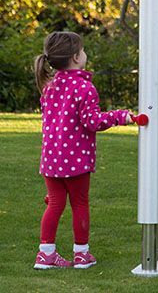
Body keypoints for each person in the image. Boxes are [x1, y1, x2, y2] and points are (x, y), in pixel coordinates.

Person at [33, 31, 133, 270]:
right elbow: (92, 122)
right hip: (76, 161)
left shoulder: (49, 87)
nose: (86, 54)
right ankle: (82, 254)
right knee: (79, 204)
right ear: (76, 57)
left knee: (55, 204)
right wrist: (120, 117)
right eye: (84, 50)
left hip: (51, 159)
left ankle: (46, 254)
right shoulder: (85, 88)